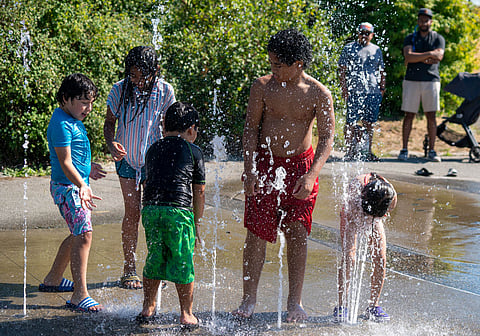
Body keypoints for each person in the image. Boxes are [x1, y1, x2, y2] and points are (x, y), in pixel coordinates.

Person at [232, 29, 335, 322]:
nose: (273, 70)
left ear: (298, 63)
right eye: (271, 64)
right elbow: (251, 129)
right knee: (256, 233)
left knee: (298, 232)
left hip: (301, 168)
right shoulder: (262, 87)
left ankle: (295, 303)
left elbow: (327, 138)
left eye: (278, 65)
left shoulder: (318, 93)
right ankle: (248, 299)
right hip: (265, 165)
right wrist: (249, 168)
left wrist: (313, 174)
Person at [104, 46, 176, 289]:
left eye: (142, 77)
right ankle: (129, 268)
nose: (137, 82)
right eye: (132, 76)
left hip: (154, 162)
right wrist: (110, 142)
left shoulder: (165, 90)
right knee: (132, 213)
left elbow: (170, 127)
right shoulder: (119, 89)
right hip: (126, 161)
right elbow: (109, 123)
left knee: (154, 216)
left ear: (155, 71)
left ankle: (157, 268)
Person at [40, 73, 106, 312]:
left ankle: (53, 279)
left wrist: (89, 169)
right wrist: (82, 185)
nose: (88, 108)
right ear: (66, 99)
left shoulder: (71, 119)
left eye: (91, 102)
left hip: (74, 186)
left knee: (77, 233)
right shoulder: (60, 123)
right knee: (84, 233)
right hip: (68, 188)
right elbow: (65, 162)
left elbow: (74, 159)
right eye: (83, 102)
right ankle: (80, 294)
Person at [136, 102, 205, 330]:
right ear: (192, 129)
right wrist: (196, 223)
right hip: (178, 213)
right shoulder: (193, 151)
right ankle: (186, 313)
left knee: (156, 256)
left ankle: (148, 307)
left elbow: (148, 181)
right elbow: (199, 191)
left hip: (151, 210)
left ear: (164, 126)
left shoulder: (153, 148)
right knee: (182, 260)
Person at [334, 172, 397, 323]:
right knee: (349, 257)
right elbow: (350, 214)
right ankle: (342, 306)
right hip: (351, 212)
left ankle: (374, 306)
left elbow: (388, 211)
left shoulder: (391, 196)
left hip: (374, 212)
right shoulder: (354, 191)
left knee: (380, 258)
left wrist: (374, 217)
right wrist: (362, 218)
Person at [398, 8, 445, 162]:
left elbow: (439, 56)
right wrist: (429, 55)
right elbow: (408, 56)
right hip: (411, 80)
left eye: (426, 19)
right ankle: (404, 149)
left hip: (431, 80)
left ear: (431, 21)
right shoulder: (410, 38)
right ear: (418, 21)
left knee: (431, 116)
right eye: (421, 19)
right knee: (409, 115)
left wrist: (417, 57)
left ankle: (432, 150)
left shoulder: (438, 38)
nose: (423, 22)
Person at [338, 22, 386, 162]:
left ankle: (368, 151)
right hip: (354, 91)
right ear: (358, 33)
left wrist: (382, 88)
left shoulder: (376, 50)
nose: (364, 36)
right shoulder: (349, 48)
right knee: (351, 122)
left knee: (370, 122)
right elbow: (342, 70)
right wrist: (344, 88)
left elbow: (381, 70)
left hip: (373, 91)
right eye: (362, 33)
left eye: (367, 33)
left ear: (372, 35)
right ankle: (350, 151)